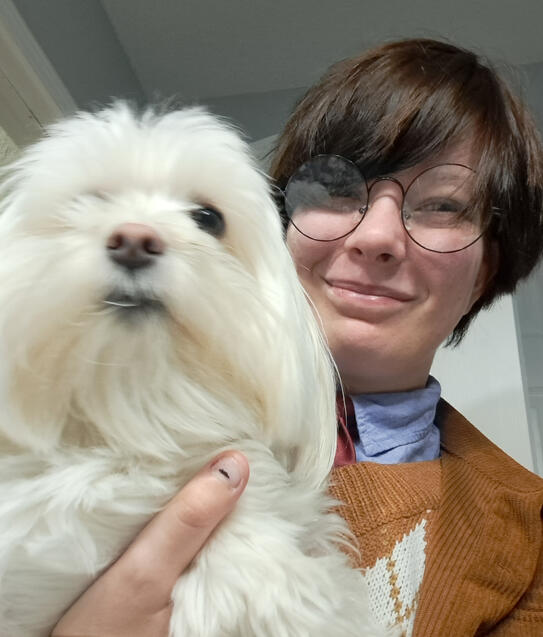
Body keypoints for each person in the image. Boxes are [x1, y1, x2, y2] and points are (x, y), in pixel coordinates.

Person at [53, 39, 543, 636]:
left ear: (486, 270)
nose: (378, 235)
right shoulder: (74, 401)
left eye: (441, 206)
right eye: (339, 190)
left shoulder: (528, 535)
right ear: (276, 226)